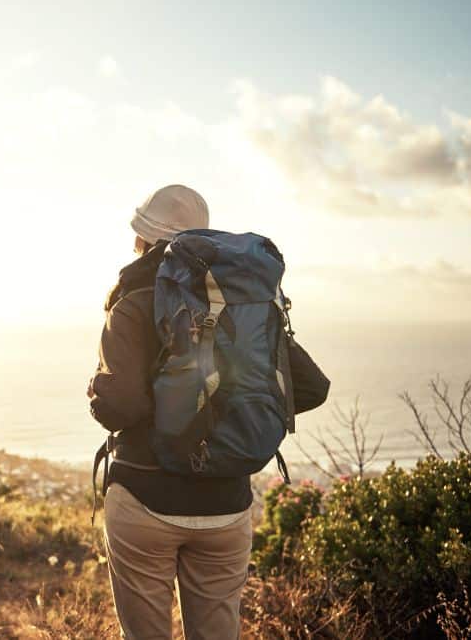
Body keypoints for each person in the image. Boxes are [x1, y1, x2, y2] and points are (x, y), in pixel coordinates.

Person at [88, 184, 330, 640]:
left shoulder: (133, 298)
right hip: (226, 505)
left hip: (145, 498)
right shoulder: (243, 303)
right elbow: (311, 389)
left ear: (143, 238)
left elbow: (120, 406)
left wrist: (98, 391)